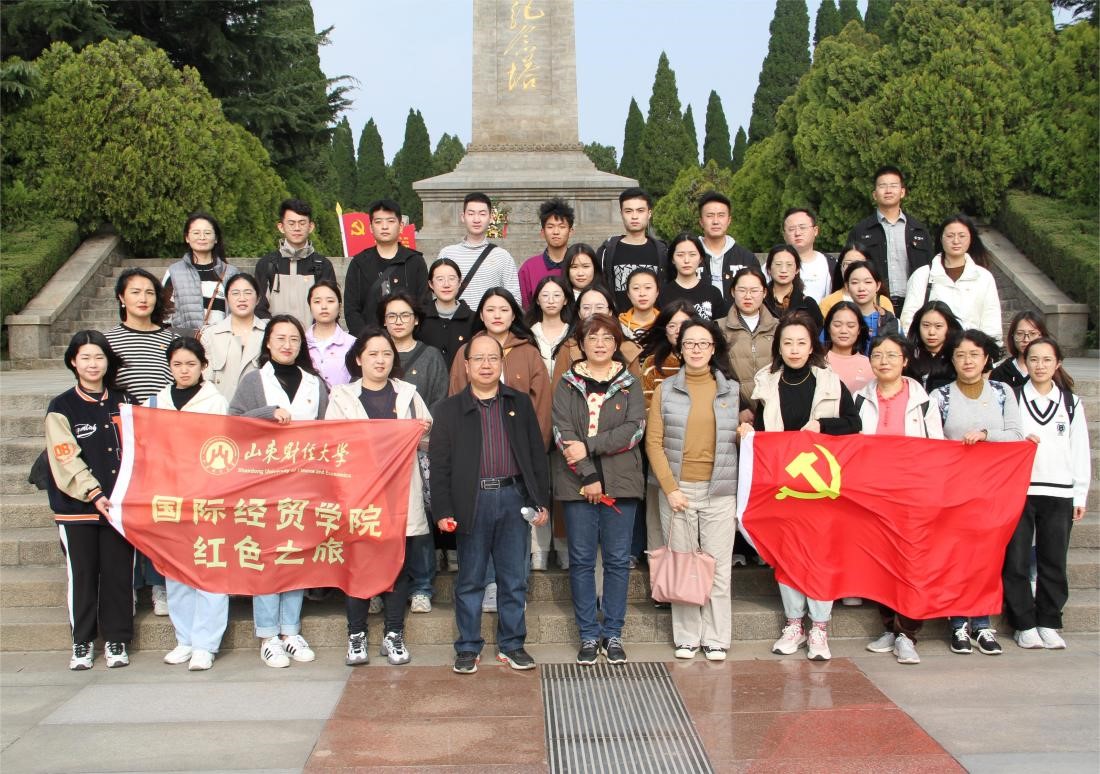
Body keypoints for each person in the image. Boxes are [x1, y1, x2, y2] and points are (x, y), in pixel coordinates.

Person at [739, 312, 862, 661]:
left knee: (820, 555)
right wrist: (749, 432)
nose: (794, 349)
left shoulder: (830, 381)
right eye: (788, 343)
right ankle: (794, 624)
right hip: (781, 484)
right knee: (788, 553)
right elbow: (762, 431)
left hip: (822, 485)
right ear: (778, 346)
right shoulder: (766, 382)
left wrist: (822, 425)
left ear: (812, 347)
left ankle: (819, 627)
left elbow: (854, 423)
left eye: (801, 343)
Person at [430, 333, 551, 674]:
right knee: (470, 579)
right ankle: (468, 647)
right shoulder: (449, 410)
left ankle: (512, 644)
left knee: (514, 578)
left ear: (501, 364)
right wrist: (443, 510)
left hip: (513, 499)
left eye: (493, 358)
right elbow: (440, 466)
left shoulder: (518, 403)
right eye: (479, 359)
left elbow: (535, 456)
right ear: (466, 365)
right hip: (472, 501)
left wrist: (540, 501)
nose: (486, 365)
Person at [326, 327, 432, 665]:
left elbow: (427, 440)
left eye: (386, 354)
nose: (380, 360)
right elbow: (333, 445)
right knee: (358, 566)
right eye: (372, 354)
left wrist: (423, 432)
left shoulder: (408, 394)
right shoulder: (342, 397)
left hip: (399, 494)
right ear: (358, 359)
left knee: (397, 566)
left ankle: (393, 633)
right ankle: (356, 635)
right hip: (359, 495)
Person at [229, 315, 329, 667]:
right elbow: (233, 422)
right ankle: (268, 634)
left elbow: (329, 430)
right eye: (280, 338)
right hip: (263, 482)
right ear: (268, 342)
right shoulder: (254, 380)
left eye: (294, 339)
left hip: (304, 482)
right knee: (267, 556)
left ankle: (290, 631)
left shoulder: (315, 383)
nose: (287, 345)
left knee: (295, 554)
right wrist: (267, 412)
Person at [552, 314, 645, 665]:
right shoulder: (567, 383)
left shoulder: (629, 382)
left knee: (618, 561)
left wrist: (590, 446)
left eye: (607, 337)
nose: (600, 344)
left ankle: (613, 633)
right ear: (581, 343)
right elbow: (562, 433)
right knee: (581, 560)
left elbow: (634, 430)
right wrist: (589, 475)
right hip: (576, 481)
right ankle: (589, 634)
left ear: (617, 343)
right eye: (593, 338)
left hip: (621, 482)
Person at [647, 318, 742, 661]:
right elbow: (654, 443)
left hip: (720, 490)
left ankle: (716, 638)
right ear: (680, 348)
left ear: (713, 348)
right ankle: (687, 637)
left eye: (703, 343)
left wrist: (744, 432)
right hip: (678, 489)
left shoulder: (731, 390)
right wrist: (670, 488)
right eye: (689, 343)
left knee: (717, 567)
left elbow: (741, 436)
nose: (696, 349)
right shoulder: (666, 390)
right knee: (684, 565)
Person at [46, 331, 135, 670]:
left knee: (118, 574)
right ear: (73, 361)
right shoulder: (61, 407)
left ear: (108, 361)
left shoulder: (125, 400)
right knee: (82, 575)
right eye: (85, 358)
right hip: (76, 508)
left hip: (119, 508)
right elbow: (64, 457)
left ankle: (117, 639)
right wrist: (93, 492)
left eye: (99, 357)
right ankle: (81, 642)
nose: (93, 364)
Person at [932, 329, 1023, 656]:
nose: (967, 361)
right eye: (960, 355)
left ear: (986, 358)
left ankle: (982, 624)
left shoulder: (1002, 392)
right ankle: (958, 623)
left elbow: (1016, 435)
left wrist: (986, 434)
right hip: (954, 489)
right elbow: (932, 442)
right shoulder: (940, 396)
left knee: (986, 557)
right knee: (956, 557)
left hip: (993, 489)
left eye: (974, 354)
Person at [855, 334, 944, 665]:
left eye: (892, 355)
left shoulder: (923, 400)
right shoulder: (860, 398)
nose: (884, 361)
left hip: (913, 493)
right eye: (878, 355)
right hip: (875, 493)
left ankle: (908, 633)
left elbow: (936, 448)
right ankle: (889, 627)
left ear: (905, 361)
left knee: (911, 562)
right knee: (882, 562)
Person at [147, 339, 230, 671]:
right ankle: (184, 639)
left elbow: (224, 450)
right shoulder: (155, 402)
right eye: (178, 364)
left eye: (191, 364)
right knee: (176, 569)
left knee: (210, 568)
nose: (184, 370)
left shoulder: (216, 402)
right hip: (168, 496)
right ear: (169, 366)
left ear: (203, 366)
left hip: (207, 495)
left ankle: (206, 644)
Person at [1006, 337, 1089, 650]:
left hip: (1058, 491)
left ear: (1058, 364)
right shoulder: (1013, 398)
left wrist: (1079, 494)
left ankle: (1049, 621)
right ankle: (1023, 624)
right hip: (1020, 490)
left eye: (1046, 360)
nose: (1040, 366)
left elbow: (1079, 451)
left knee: (1053, 559)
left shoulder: (1071, 403)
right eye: (1034, 359)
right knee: (1016, 559)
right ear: (1025, 362)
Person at [103, 267, 175, 616]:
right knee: (128, 511)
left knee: (159, 511)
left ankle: (159, 583)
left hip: (164, 437)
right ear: (121, 297)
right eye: (135, 292)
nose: (143, 299)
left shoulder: (170, 338)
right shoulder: (108, 341)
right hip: (124, 438)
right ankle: (129, 586)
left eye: (149, 292)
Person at [380, 291, 448, 610]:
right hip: (382, 454)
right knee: (383, 519)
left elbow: (439, 399)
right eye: (392, 316)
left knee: (418, 516)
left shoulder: (431, 356)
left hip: (420, 449)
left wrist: (420, 433)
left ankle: (421, 586)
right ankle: (384, 583)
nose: (398, 321)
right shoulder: (376, 352)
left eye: (405, 315)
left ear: (416, 320)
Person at [636, 301, 695, 556]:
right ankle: (660, 573)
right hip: (663, 450)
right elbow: (648, 410)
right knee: (658, 520)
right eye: (672, 325)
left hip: (698, 455)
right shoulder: (653, 363)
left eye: (684, 324)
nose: (678, 330)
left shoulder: (709, 362)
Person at [900, 214, 1001, 346]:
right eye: (950, 236)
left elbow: (991, 321)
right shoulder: (922, 275)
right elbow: (908, 320)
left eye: (962, 236)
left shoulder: (983, 277)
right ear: (941, 238)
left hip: (970, 353)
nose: (956, 241)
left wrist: (990, 352)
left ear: (971, 238)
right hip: (930, 353)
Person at [846, 165, 933, 310]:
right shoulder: (860, 231)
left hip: (913, 305)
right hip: (874, 304)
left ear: (902, 192)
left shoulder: (919, 231)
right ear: (875, 194)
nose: (888, 190)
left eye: (893, 185)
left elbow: (929, 271)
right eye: (882, 186)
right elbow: (850, 269)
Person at [344, 199, 428, 336]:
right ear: (371, 227)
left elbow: (424, 306)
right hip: (370, 342)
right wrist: (368, 340)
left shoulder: (415, 262)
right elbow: (351, 310)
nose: (384, 226)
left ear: (401, 226)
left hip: (408, 341)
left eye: (390, 221)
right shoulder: (359, 263)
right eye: (378, 222)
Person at [253, 198, 336, 325]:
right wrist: (277, 331)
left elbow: (330, 306)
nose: (297, 228)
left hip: (312, 336)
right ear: (281, 227)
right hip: (276, 335)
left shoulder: (323, 265)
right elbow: (258, 307)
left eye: (302, 223)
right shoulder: (266, 264)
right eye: (291, 223)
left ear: (311, 226)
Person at [436, 192, 520, 309]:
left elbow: (515, 299)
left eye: (482, 214)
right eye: (471, 214)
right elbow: (437, 293)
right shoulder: (447, 254)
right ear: (463, 217)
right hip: (456, 319)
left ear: (491, 217)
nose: (476, 219)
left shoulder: (502, 256)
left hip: (489, 320)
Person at [162, 211, 239, 333]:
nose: (202, 237)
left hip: (222, 340)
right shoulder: (174, 272)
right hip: (185, 341)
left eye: (207, 233)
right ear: (187, 238)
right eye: (196, 233)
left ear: (216, 238)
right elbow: (164, 313)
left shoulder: (231, 273)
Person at [552, 285, 643, 387]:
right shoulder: (568, 348)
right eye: (586, 307)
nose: (593, 312)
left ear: (610, 312)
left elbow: (636, 392)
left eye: (599, 307)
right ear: (579, 313)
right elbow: (558, 391)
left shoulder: (629, 349)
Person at [719, 266, 778, 421]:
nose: (748, 296)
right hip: (734, 411)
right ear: (733, 292)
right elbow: (718, 371)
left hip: (774, 408)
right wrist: (740, 406)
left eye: (754, 290)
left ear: (764, 293)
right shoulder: (718, 328)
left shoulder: (779, 327)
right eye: (742, 290)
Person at [200, 273, 268, 400]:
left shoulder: (268, 333)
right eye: (235, 293)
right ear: (226, 299)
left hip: (257, 406)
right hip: (220, 407)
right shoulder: (211, 334)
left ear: (258, 298)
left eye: (248, 293)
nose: (242, 298)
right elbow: (205, 380)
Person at [599, 188, 668, 312]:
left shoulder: (663, 252)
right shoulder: (607, 252)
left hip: (655, 321)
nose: (634, 216)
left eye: (640, 211)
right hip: (617, 321)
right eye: (628, 211)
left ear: (649, 213)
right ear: (621, 214)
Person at [697, 191, 759, 299]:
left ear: (729, 220)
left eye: (721, 215)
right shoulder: (688, 257)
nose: (715, 221)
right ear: (701, 221)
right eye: (710, 216)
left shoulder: (747, 258)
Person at [419, 258, 475, 370]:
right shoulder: (419, 318)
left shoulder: (474, 319)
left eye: (452, 278)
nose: (446, 284)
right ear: (431, 284)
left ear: (459, 282)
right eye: (440, 279)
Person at [518, 198, 575, 308]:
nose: (556, 232)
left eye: (562, 227)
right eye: (550, 227)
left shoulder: (578, 266)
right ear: (543, 232)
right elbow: (525, 306)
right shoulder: (529, 267)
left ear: (570, 231)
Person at [656, 233, 726, 320]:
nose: (686, 260)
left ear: (700, 258)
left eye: (692, 254)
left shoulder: (713, 293)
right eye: (680, 255)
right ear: (672, 259)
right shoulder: (662, 294)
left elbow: (720, 326)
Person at [818, 242, 895, 319]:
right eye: (848, 264)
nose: (854, 268)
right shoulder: (828, 303)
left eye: (859, 263)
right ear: (840, 267)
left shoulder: (882, 302)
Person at [904, 301, 962, 393]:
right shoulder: (907, 356)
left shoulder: (958, 356)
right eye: (926, 325)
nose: (931, 332)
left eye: (938, 326)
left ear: (949, 327)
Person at [306, 280, 355, 389]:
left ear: (340, 306)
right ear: (310, 306)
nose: (324, 306)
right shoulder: (301, 343)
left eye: (330, 301)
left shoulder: (353, 344)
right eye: (317, 301)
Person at [762, 244, 823, 330]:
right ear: (769, 269)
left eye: (789, 264)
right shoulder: (759, 301)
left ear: (797, 269)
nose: (783, 270)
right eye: (778, 264)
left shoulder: (808, 304)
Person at [843, 261, 900, 350]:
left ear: (878, 285)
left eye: (868, 282)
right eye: (855, 282)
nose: (861, 288)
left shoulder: (890, 321)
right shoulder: (838, 319)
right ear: (847, 286)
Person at [782, 208, 835, 303]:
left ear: (815, 231)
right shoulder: (772, 265)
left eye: (802, 227)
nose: (797, 233)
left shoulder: (830, 264)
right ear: (784, 235)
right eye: (791, 229)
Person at [526, 276, 574, 375]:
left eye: (556, 295)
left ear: (565, 300)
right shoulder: (528, 333)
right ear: (537, 300)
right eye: (545, 295)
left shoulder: (573, 333)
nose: (551, 301)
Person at [823, 301, 873, 394]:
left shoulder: (870, 366)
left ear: (859, 330)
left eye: (851, 326)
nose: (843, 331)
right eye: (837, 325)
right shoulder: (818, 362)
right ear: (828, 328)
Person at [991, 311, 1049, 388]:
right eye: (1020, 333)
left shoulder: (1051, 370)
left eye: (1032, 334)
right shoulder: (1000, 373)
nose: (1026, 340)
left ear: (1042, 336)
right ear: (1013, 335)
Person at [618, 268, 660, 340]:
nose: (642, 294)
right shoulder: (618, 325)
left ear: (657, 292)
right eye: (636, 288)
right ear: (628, 294)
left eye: (648, 287)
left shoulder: (666, 322)